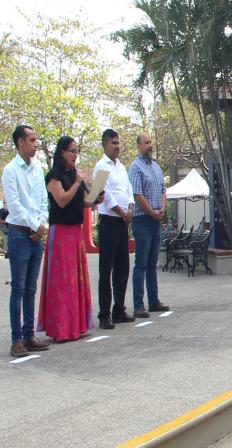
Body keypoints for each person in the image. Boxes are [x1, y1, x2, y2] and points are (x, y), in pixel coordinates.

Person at [38, 136, 99, 343]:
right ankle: (61, 329)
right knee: (62, 283)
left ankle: (76, 325)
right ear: (62, 152)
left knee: (76, 281)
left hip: (75, 232)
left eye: (76, 150)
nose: (75, 154)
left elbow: (85, 203)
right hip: (61, 232)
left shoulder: (74, 175)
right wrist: (77, 182)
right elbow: (62, 200)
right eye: (72, 150)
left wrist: (97, 196)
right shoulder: (53, 176)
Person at [2, 125, 50, 357]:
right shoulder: (11, 171)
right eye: (31, 139)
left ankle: (29, 335)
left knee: (31, 288)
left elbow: (43, 201)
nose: (35, 143)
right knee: (19, 288)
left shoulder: (37, 169)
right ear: (20, 142)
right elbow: (15, 206)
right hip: (19, 233)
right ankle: (16, 340)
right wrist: (36, 226)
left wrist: (41, 227)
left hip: (36, 234)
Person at [94, 128, 135, 330]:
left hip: (122, 223)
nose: (117, 147)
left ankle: (119, 309)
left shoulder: (121, 167)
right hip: (109, 221)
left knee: (122, 268)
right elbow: (105, 195)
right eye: (113, 143)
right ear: (105, 144)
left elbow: (128, 190)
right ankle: (104, 314)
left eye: (118, 143)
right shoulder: (100, 166)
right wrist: (120, 211)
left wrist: (130, 208)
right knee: (106, 270)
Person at [128, 133, 170, 318]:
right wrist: (151, 212)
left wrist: (161, 208)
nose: (150, 146)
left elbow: (163, 190)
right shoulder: (135, 168)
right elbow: (137, 195)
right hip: (142, 220)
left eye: (151, 142)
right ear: (138, 146)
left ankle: (154, 301)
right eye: (146, 143)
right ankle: (139, 305)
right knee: (141, 263)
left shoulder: (156, 167)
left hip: (155, 219)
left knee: (153, 263)